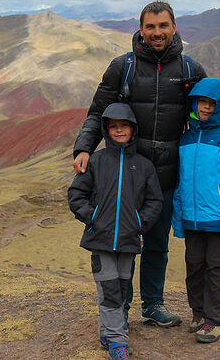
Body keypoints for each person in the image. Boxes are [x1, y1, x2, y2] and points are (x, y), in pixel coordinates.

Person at [72, 0, 220, 328]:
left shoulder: (189, 69)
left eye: (163, 26)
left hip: (166, 176)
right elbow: (98, 112)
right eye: (150, 27)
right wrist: (83, 148)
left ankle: (152, 304)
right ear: (140, 29)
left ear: (174, 28)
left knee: (157, 244)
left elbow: (214, 106)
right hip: (126, 174)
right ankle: (118, 313)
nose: (156, 33)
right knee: (122, 244)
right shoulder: (120, 67)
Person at [68, 102, 163, 359]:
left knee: (120, 290)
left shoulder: (144, 166)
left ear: (132, 129)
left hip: (129, 240)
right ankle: (118, 343)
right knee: (110, 291)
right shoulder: (96, 161)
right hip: (100, 240)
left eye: (124, 126)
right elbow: (76, 194)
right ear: (106, 130)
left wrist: (139, 223)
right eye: (113, 127)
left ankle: (106, 332)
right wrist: (94, 217)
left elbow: (155, 201)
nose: (119, 131)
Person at [171, 77, 220, 343]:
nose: (205, 107)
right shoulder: (185, 139)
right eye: (200, 102)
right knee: (194, 266)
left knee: (217, 269)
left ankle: (217, 321)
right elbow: (181, 183)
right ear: (193, 103)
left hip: (219, 220)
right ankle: (199, 314)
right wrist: (179, 220)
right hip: (192, 219)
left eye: (211, 103)